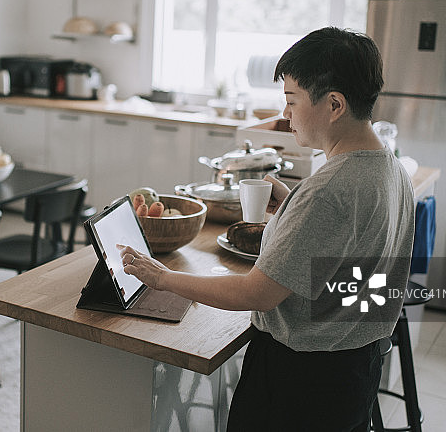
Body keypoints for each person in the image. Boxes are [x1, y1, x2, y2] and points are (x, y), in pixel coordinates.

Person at [120, 27, 415, 431]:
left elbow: (256, 293)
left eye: (291, 101)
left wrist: (163, 278)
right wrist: (293, 203)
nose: (285, 115)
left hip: (302, 379)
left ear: (334, 104)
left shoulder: (327, 191)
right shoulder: (391, 168)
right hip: (355, 365)